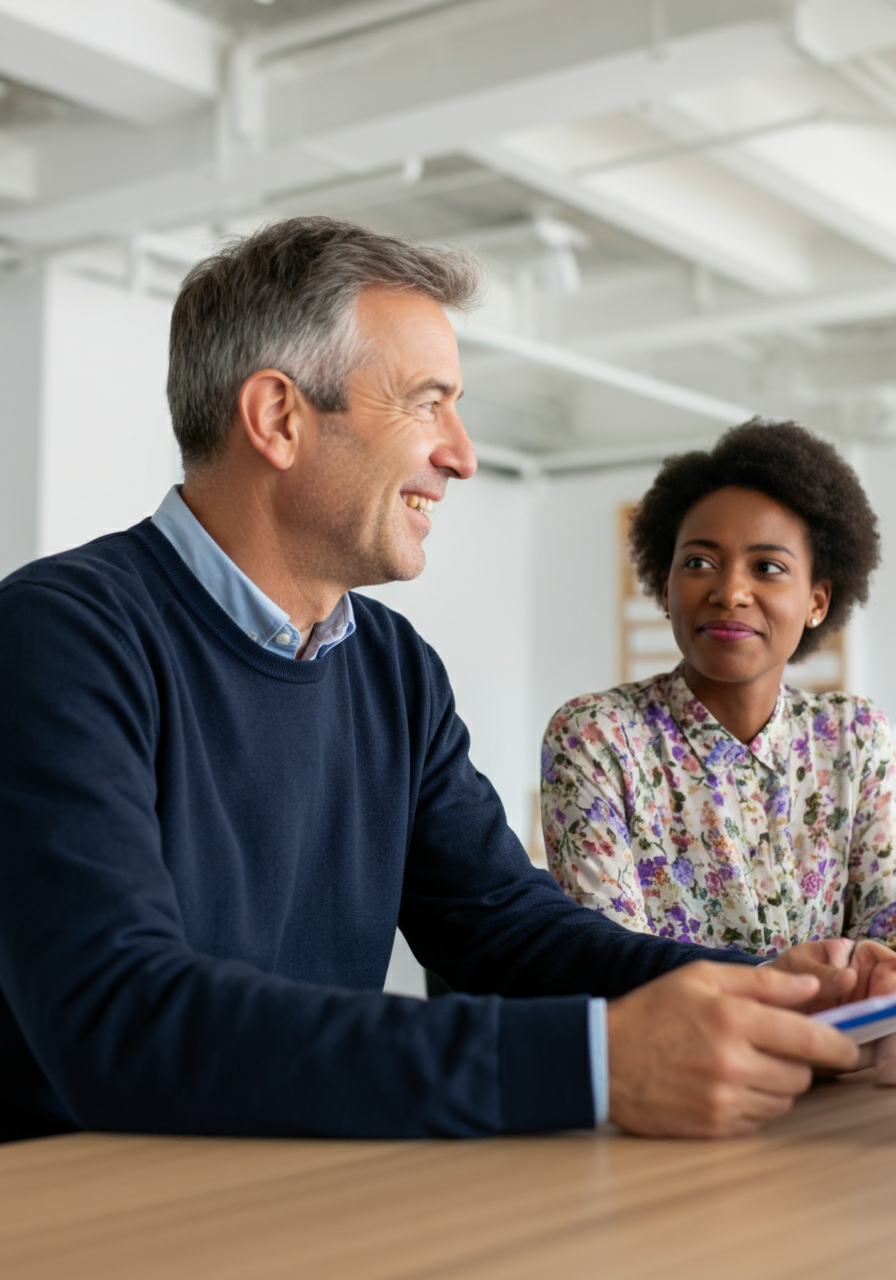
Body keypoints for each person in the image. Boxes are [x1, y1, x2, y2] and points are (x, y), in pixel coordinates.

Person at [0, 221, 885, 1148]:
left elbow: (504, 927)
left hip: (297, 1184)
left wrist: (772, 988)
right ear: (277, 418)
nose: (461, 454)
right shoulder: (61, 636)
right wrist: (592, 1060)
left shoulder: (394, 667)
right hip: (82, 1209)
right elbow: (118, 1016)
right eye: (428, 404)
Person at [542, 421, 896, 961]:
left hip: (841, 1043)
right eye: (699, 563)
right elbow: (610, 960)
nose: (729, 592)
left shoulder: (856, 737)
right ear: (665, 588)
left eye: (768, 567)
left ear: (817, 602)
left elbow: (886, 932)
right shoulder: (598, 736)